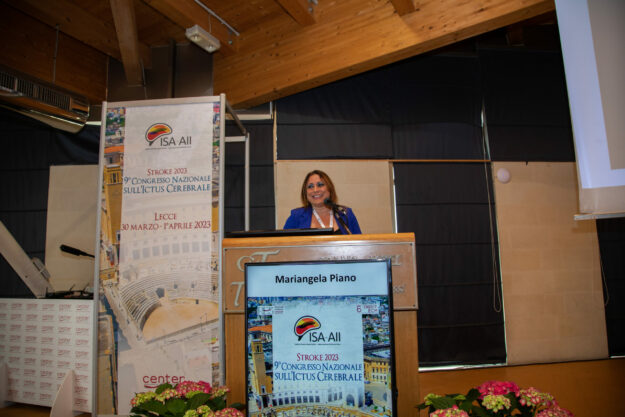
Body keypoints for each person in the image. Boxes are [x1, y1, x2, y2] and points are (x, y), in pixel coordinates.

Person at [283, 170, 362, 234]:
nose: (315, 190)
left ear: (329, 188)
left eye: (320, 185)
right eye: (310, 186)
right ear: (305, 193)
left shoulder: (345, 213)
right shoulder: (296, 217)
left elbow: (360, 244)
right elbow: (283, 245)